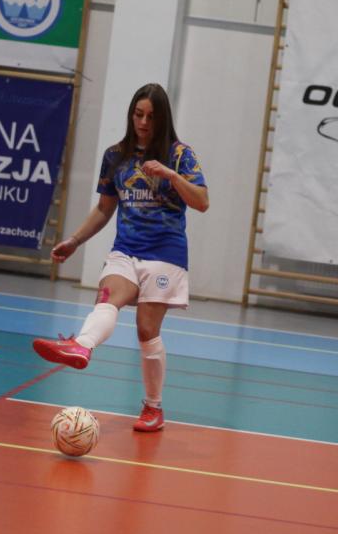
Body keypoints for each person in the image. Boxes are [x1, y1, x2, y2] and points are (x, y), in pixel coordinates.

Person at [32, 83, 208, 433]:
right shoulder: (116, 156)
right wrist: (74, 240)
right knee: (107, 297)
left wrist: (171, 176)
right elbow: (104, 208)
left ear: (163, 119)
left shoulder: (180, 155)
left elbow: (201, 201)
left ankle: (153, 407)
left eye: (151, 117)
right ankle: (82, 346)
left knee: (146, 330)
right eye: (138, 115)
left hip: (165, 254)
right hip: (126, 250)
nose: (143, 122)